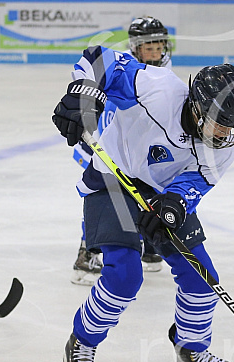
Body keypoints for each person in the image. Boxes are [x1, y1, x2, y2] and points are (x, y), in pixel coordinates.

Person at [52, 45, 234, 362]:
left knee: (202, 277)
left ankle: (191, 351)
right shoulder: (157, 89)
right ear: (196, 108)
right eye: (219, 125)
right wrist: (83, 94)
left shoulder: (222, 147)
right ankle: (82, 342)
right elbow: (100, 59)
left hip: (161, 192)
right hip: (114, 178)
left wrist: (171, 209)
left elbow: (195, 182)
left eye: (232, 129)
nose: (224, 136)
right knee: (125, 277)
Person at [71, 16, 173, 285]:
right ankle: (88, 250)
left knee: (154, 188)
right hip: (109, 142)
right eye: (149, 47)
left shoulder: (164, 68)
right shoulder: (123, 68)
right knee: (103, 196)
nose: (155, 52)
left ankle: (148, 245)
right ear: (136, 47)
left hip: (143, 149)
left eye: (159, 46)